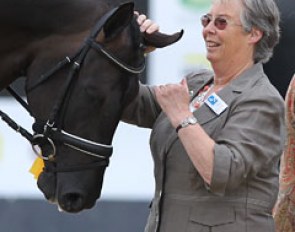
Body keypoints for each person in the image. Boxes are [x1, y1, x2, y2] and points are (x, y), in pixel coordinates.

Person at [123, 0, 285, 231]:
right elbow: (128, 103)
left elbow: (222, 172)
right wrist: (131, 51)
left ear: (254, 34)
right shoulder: (197, 82)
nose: (208, 29)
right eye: (206, 20)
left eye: (221, 23)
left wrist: (182, 115)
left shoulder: (261, 99)